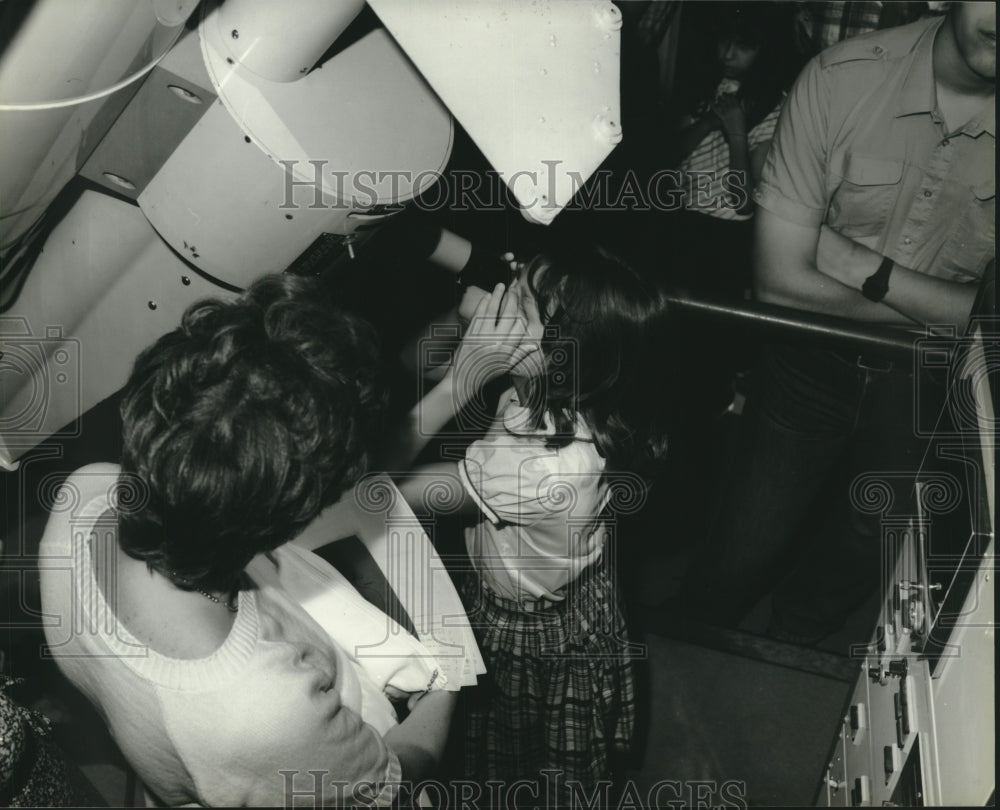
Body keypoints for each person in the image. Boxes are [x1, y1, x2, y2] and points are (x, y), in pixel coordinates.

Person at [38, 274, 457, 806]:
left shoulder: (84, 493)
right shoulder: (263, 713)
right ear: (281, 527)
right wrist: (446, 688)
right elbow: (390, 785)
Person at [678, 3, 995, 642]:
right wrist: (947, 311)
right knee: (737, 553)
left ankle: (798, 709)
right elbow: (779, 280)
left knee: (847, 570)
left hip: (927, 388)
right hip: (805, 367)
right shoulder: (840, 79)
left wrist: (858, 263)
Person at [389, 243, 669, 800]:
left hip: (525, 631)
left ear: (562, 352)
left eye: (516, 303)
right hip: (570, 594)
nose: (499, 301)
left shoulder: (538, 465)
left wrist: (461, 381)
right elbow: (409, 363)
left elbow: (383, 484)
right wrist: (460, 318)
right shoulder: (568, 391)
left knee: (518, 761)